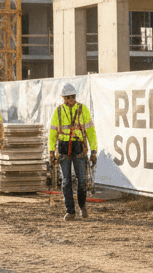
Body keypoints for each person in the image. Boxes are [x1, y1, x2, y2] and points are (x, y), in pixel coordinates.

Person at [48, 82, 97, 221]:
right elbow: (52, 133)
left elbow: (91, 132)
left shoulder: (83, 109)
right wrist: (51, 151)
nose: (71, 99)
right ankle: (70, 211)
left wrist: (94, 150)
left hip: (79, 147)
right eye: (68, 97)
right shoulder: (58, 111)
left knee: (82, 180)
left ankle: (82, 206)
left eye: (73, 96)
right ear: (63, 97)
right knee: (66, 181)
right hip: (63, 147)